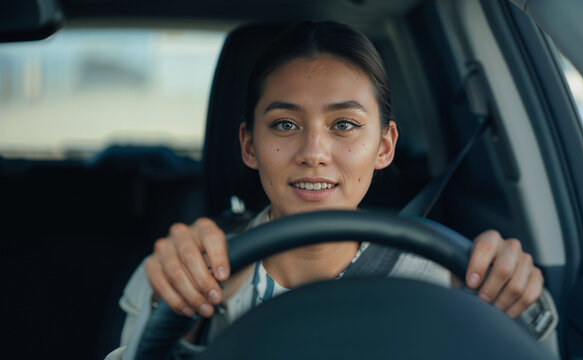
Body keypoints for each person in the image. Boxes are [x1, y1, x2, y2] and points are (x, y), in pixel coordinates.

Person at [107, 21, 544, 360]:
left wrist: (515, 296)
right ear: (249, 145)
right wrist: (184, 321)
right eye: (284, 124)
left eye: (344, 125)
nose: (313, 152)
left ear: (384, 146)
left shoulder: (444, 281)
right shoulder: (181, 277)